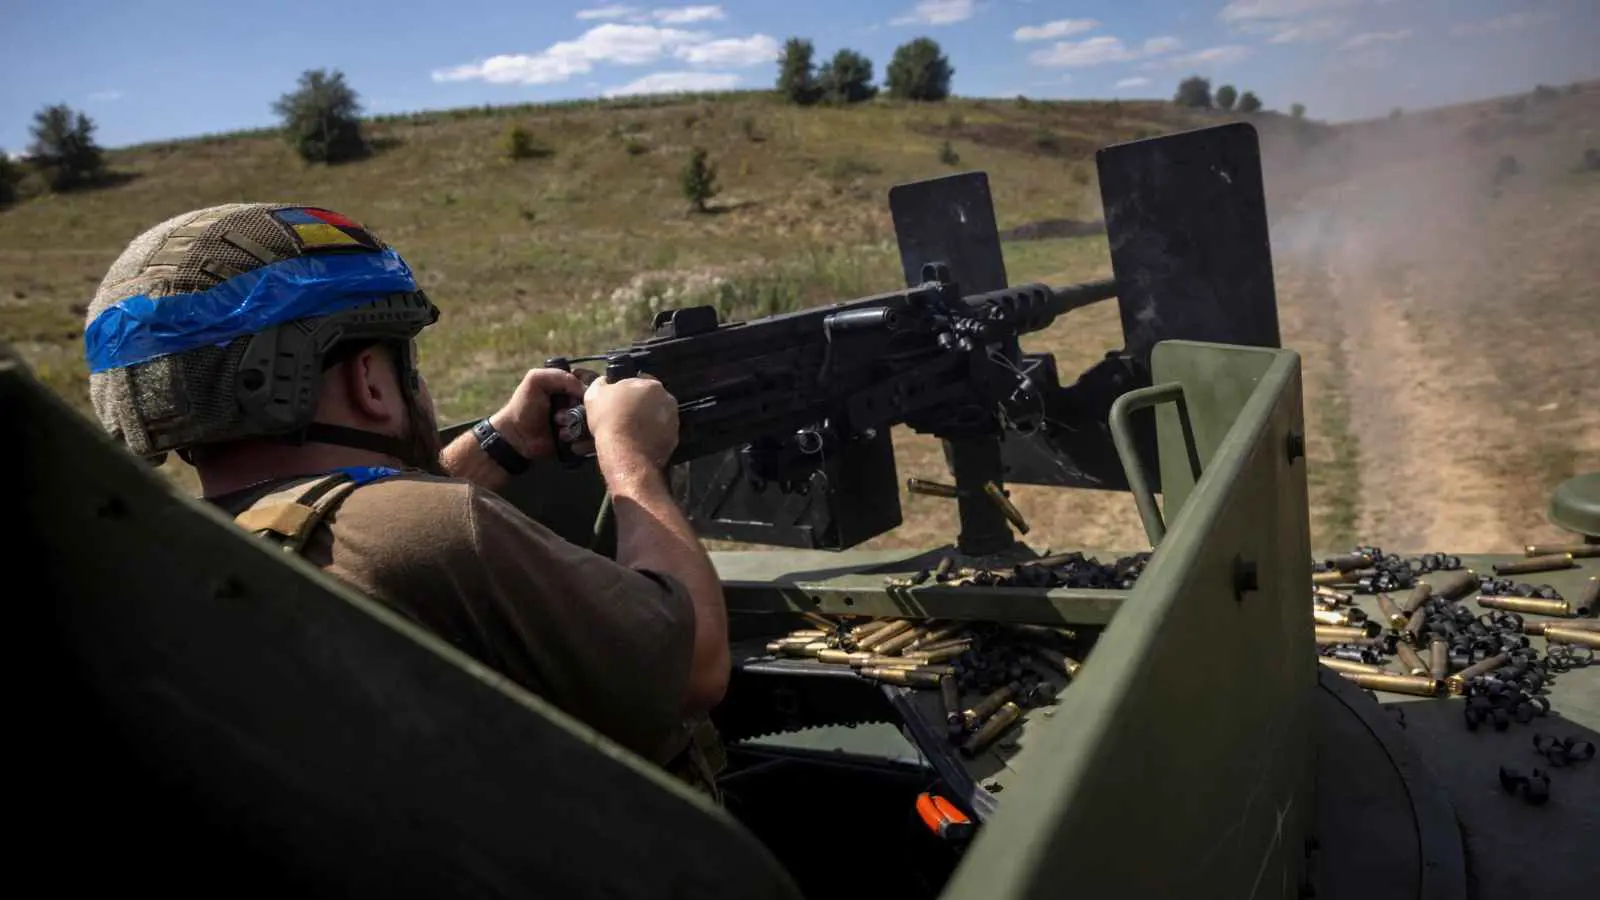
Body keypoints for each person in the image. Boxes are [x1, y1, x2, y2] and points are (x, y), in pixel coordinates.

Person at [81, 202, 731, 791]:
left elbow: (337, 519)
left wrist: (500, 442)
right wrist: (632, 457)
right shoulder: (443, 529)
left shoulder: (175, 556)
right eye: (404, 360)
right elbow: (696, 663)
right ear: (369, 378)